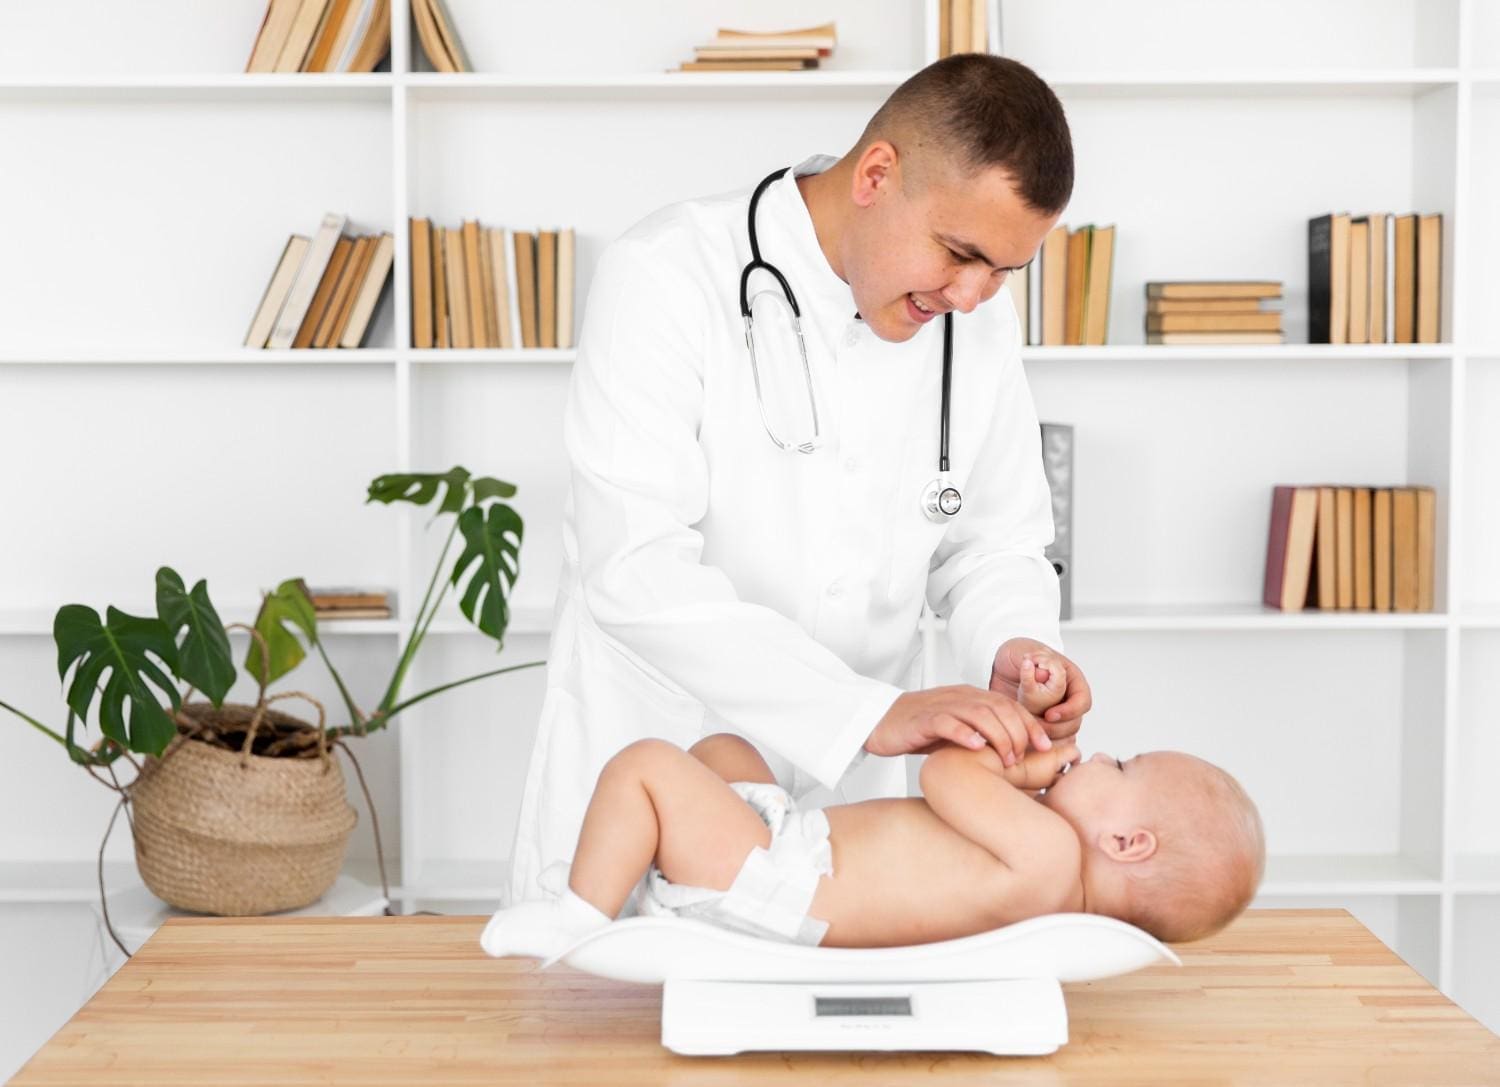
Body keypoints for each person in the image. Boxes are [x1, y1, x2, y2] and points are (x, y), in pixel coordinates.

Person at [507, 53, 1092, 908]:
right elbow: (633, 571)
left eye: (1005, 269)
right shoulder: (667, 277)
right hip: (647, 778)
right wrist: (864, 714)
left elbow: (993, 541)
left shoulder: (979, 326)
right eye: (960, 253)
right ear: (877, 173)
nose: (973, 295)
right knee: (603, 1024)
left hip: (841, 834)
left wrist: (1017, 643)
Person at [483, 652, 1265, 956]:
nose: (1096, 752)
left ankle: (577, 929)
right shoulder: (1051, 876)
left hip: (782, 886)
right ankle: (653, 891)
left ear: (1128, 842)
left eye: (1119, 763)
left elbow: (944, 779)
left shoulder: (1054, 858)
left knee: (645, 767)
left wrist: (1025, 770)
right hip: (789, 854)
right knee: (726, 752)